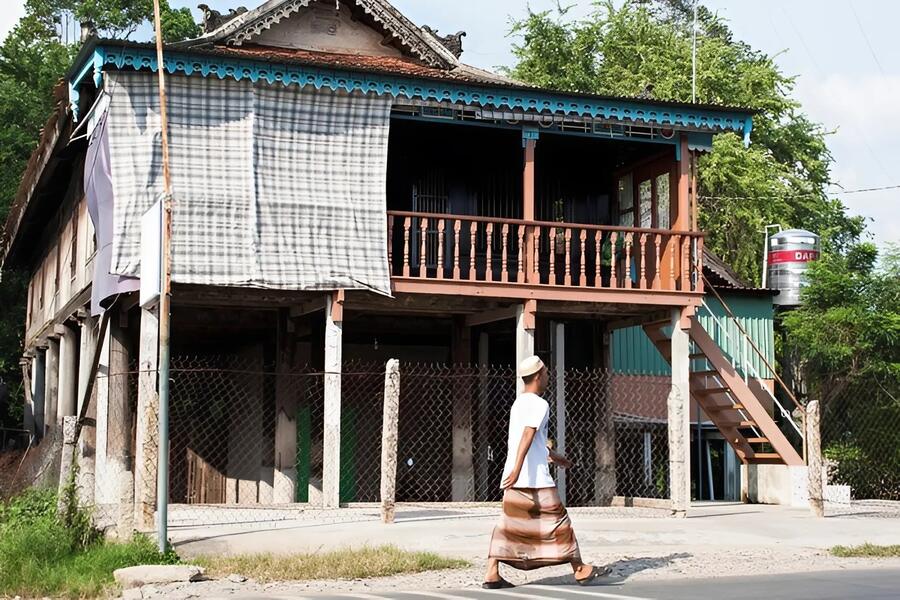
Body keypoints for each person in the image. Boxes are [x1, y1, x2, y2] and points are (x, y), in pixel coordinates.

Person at [483, 355, 610, 589]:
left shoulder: (519, 403)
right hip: (534, 479)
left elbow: (535, 442)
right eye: (548, 374)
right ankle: (580, 569)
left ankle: (492, 572)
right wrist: (520, 468)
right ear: (539, 376)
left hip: (514, 478)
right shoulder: (540, 404)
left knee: (508, 524)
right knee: (560, 522)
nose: (549, 378)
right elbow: (528, 436)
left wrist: (554, 457)